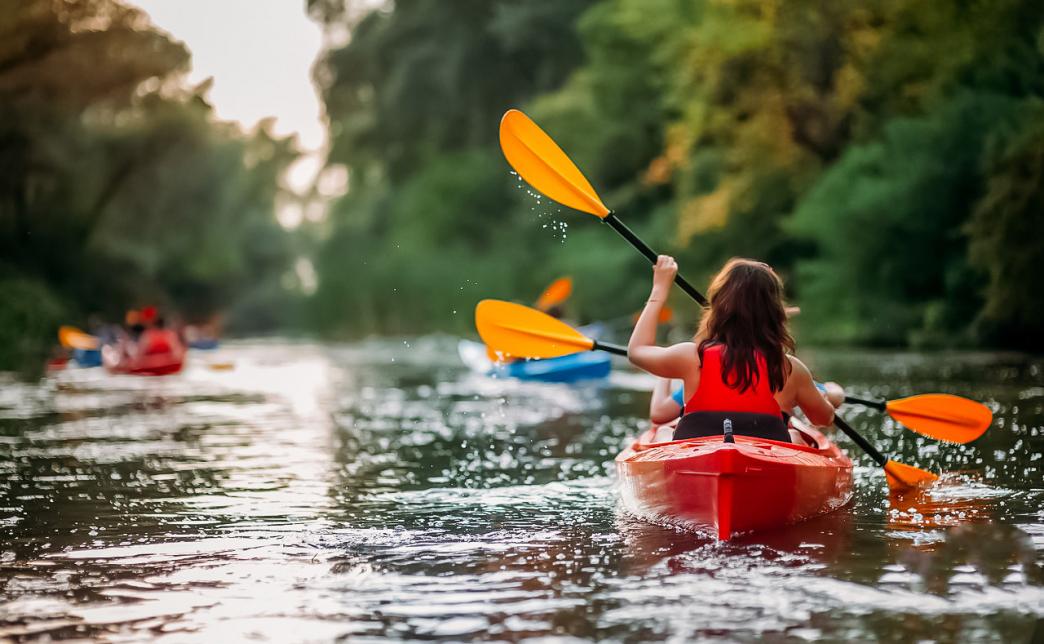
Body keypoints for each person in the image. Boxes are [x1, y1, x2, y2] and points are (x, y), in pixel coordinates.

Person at [630, 256, 844, 443]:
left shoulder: (692, 356)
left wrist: (659, 289)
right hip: (766, 457)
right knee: (795, 437)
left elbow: (637, 350)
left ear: (717, 307)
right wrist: (833, 395)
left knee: (664, 433)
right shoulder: (790, 368)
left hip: (696, 450)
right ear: (776, 313)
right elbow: (823, 419)